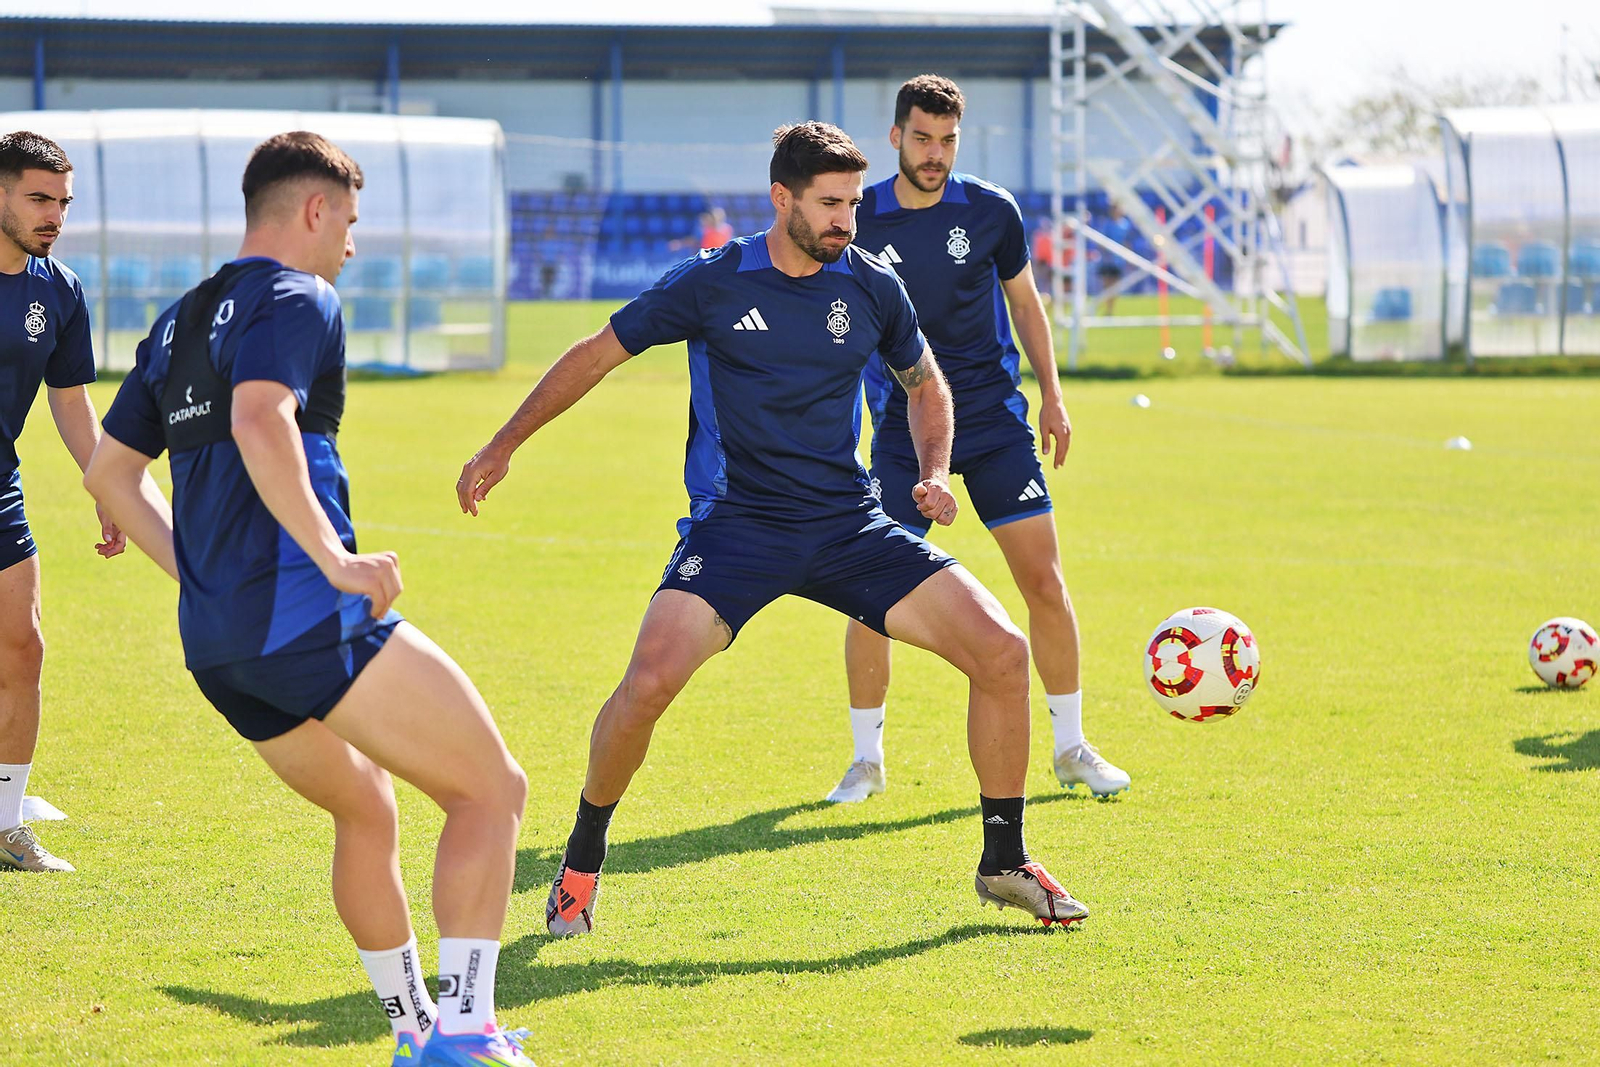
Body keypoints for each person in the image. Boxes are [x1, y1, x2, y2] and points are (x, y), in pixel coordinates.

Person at [456, 121, 1089, 936]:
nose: (846, 222)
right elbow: (595, 354)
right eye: (830, 204)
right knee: (646, 685)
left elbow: (928, 384)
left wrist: (933, 470)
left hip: (847, 524)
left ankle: (1004, 862)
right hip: (738, 527)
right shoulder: (712, 281)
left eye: (854, 205)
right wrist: (503, 444)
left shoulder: (868, 282)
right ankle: (581, 861)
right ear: (781, 198)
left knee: (1002, 652)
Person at [83, 131, 537, 1067]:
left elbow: (109, 471)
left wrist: (199, 574)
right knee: (491, 791)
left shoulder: (176, 318)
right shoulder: (298, 295)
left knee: (368, 808)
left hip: (220, 645)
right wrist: (335, 559)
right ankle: (465, 1031)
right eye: (352, 224)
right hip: (304, 617)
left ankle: (414, 1031)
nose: (353, 249)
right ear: (315, 210)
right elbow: (259, 415)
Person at [829, 74, 1129, 805]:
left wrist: (1053, 395)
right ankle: (866, 760)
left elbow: (1025, 305)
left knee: (1045, 581)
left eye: (948, 141)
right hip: (903, 425)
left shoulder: (992, 211)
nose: (936, 154)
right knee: (869, 594)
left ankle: (1071, 745)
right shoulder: (857, 217)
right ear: (895, 136)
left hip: (994, 421)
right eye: (923, 138)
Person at [0, 130, 131, 875]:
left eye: (63, 202)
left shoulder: (59, 289)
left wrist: (104, 485)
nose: (54, 215)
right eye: (38, 198)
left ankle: (5, 825)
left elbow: (71, 402)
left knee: (25, 646)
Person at [1097, 202, 1136, 314]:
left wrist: (1129, 257)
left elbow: (1127, 242)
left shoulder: (1125, 225)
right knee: (1106, 284)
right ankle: (1106, 306)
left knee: (1115, 286)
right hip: (1107, 260)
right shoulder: (1107, 224)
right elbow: (1101, 241)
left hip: (1118, 261)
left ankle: (1110, 309)